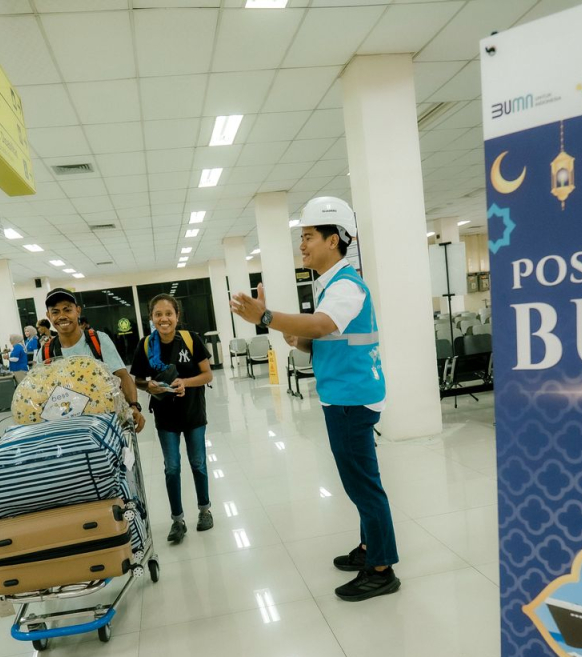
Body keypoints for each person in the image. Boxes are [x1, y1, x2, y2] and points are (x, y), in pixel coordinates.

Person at [230, 197, 400, 603]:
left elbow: (324, 324)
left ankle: (382, 567)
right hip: (344, 394)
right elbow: (327, 336)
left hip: (351, 398)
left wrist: (267, 317)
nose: (301, 246)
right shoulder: (332, 285)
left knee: (364, 486)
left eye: (307, 237)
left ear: (334, 240)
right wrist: (300, 340)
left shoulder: (345, 286)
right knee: (359, 483)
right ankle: (367, 548)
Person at [130, 294, 213, 543]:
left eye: (169, 313)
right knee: (172, 467)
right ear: (151, 318)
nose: (164, 318)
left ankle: (204, 510)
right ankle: (177, 520)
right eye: (158, 314)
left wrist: (185, 382)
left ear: (177, 316)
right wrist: (150, 387)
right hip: (166, 417)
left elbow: (207, 375)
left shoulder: (191, 340)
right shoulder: (145, 345)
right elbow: (138, 380)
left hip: (193, 413)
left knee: (198, 463)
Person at [45, 287, 146, 432]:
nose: (62, 316)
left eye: (67, 310)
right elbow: (41, 394)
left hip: (106, 425)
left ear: (78, 311)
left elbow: (122, 375)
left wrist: (134, 406)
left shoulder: (97, 340)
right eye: (55, 312)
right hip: (68, 429)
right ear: (48, 315)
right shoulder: (46, 352)